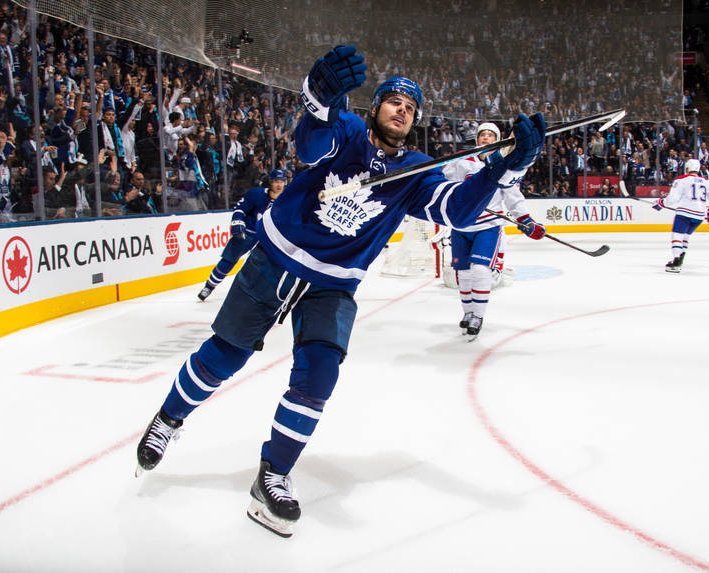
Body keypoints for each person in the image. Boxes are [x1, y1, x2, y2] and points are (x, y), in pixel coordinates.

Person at [135, 45, 545, 537]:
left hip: (332, 284)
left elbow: (456, 210)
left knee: (318, 376)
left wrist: (502, 171)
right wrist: (319, 96)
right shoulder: (347, 129)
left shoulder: (417, 169)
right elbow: (310, 146)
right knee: (225, 355)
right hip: (277, 257)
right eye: (394, 102)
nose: (402, 111)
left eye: (410, 108)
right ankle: (168, 419)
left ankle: (272, 476)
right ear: (376, 108)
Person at [441, 122, 545, 338]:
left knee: (480, 270)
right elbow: (445, 185)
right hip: (461, 225)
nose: (486, 138)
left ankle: (478, 316)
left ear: (497, 140)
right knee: (463, 273)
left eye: (491, 135)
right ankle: (468, 312)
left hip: (488, 226)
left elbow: (513, 196)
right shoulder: (462, 162)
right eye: (483, 134)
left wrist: (525, 219)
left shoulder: (504, 166)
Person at [197, 169, 288, 301]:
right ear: (270, 182)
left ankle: (261, 293)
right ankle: (209, 287)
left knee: (268, 267)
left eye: (281, 181)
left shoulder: (287, 201)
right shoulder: (256, 194)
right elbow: (240, 209)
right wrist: (237, 221)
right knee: (228, 260)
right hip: (248, 234)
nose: (279, 185)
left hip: (268, 239)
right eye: (276, 181)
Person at [653, 158, 709, 273]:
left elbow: (673, 198)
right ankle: (680, 257)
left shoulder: (682, 180)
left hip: (684, 213)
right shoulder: (706, 181)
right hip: (699, 215)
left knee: (677, 235)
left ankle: (676, 261)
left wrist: (661, 203)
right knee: (685, 236)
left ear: (687, 168)